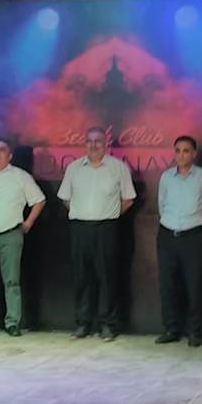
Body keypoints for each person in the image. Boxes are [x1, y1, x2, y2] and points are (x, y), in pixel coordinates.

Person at [57, 126, 136, 341]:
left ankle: (108, 325)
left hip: (106, 229)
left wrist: (108, 213)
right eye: (90, 141)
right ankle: (83, 323)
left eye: (98, 141)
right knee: (82, 277)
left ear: (106, 144)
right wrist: (83, 212)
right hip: (80, 229)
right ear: (85, 144)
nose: (93, 145)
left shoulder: (118, 168)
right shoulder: (74, 168)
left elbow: (128, 200)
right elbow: (66, 199)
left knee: (107, 278)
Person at [0, 136, 46, 337]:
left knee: (12, 281)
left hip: (11, 236)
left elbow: (39, 200)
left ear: (10, 155)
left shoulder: (21, 177)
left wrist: (28, 223)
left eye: (2, 149)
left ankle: (12, 322)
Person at [155, 136, 202, 346]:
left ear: (194, 153)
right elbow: (161, 204)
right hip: (167, 234)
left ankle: (195, 332)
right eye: (178, 150)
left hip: (193, 236)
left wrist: (192, 224)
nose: (181, 155)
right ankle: (171, 329)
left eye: (186, 150)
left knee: (194, 285)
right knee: (168, 284)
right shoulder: (166, 177)